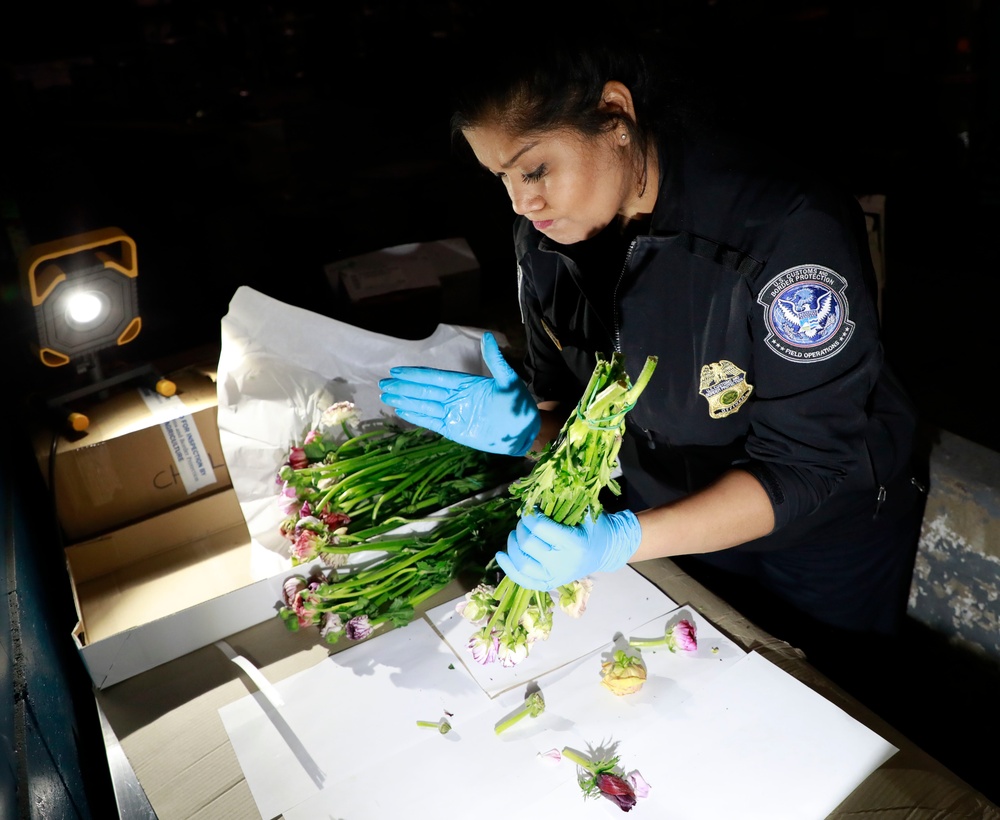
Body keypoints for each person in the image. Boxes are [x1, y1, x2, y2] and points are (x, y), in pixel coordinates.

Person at [378, 24, 928, 670]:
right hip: (669, 526)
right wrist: (532, 427)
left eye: (534, 168)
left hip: (821, 538)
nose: (523, 203)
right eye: (500, 178)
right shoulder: (545, 245)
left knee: (834, 702)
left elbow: (806, 467)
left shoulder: (782, 229)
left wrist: (622, 539)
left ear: (615, 113)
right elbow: (577, 417)